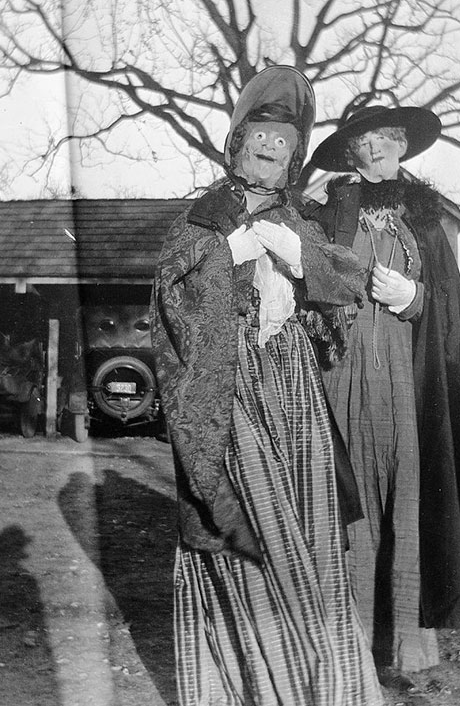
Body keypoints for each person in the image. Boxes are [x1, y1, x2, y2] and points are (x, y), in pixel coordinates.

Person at [150, 67, 384, 706]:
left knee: (305, 524)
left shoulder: (299, 220)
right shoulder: (199, 222)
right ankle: (251, 681)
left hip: (293, 393)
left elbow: (347, 289)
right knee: (247, 527)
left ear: (294, 158)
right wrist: (228, 263)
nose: (272, 149)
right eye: (261, 136)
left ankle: (322, 683)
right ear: (237, 142)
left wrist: (298, 259)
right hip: (228, 393)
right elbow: (171, 309)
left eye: (285, 143)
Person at [306, 104, 460, 687]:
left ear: (403, 146)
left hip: (407, 382)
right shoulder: (324, 209)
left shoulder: (425, 215)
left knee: (406, 506)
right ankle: (350, 648)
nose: (376, 150)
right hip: (340, 379)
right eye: (364, 141)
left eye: (387, 139)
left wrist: (411, 296)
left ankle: (404, 652)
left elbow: (446, 305)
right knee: (352, 511)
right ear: (349, 152)